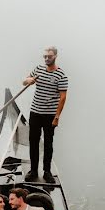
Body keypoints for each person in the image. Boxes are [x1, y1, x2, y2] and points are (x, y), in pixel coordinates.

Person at [22, 46, 68, 184]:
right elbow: (25, 81)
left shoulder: (61, 75)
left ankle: (47, 172)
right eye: (45, 56)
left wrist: (57, 117)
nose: (47, 59)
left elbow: (63, 97)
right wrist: (28, 81)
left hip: (49, 115)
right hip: (35, 112)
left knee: (48, 143)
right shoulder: (38, 69)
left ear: (55, 56)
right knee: (33, 142)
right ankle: (34, 171)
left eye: (50, 56)